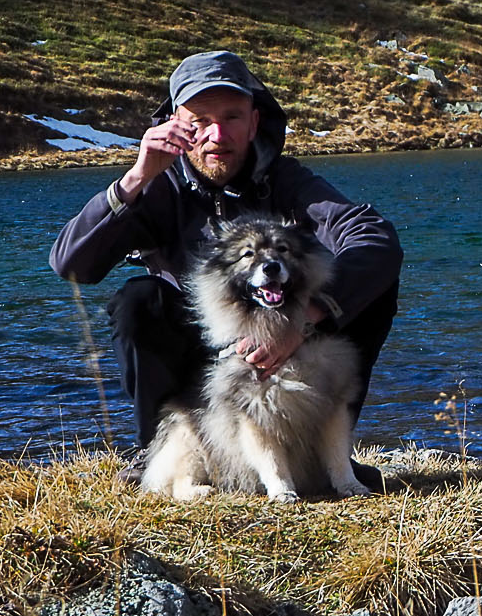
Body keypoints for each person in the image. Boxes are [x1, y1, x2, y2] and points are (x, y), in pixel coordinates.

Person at [50, 51, 402, 480]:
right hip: (200, 367)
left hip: (289, 352)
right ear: (176, 124)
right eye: (199, 120)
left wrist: (308, 319)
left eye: (232, 117)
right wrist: (135, 179)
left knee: (372, 285)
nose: (217, 135)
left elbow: (374, 238)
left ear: (254, 122)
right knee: (138, 301)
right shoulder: (158, 187)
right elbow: (71, 265)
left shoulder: (287, 182)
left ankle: (327, 457)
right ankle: (164, 453)